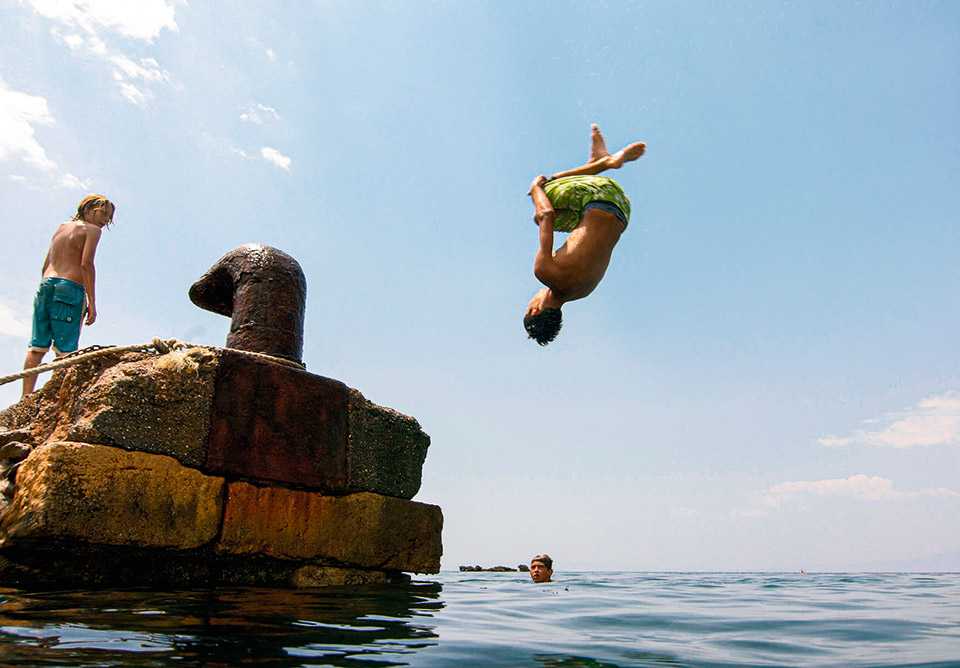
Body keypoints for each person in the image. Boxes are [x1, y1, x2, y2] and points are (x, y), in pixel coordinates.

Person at [524, 124, 645, 345]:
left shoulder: (584, 291)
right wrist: (535, 189)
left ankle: (597, 163)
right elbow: (546, 214)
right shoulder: (545, 272)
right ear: (535, 310)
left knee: (548, 217)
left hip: (623, 210)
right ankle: (606, 162)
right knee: (547, 192)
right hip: (601, 194)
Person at [21, 194, 115, 397]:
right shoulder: (92, 230)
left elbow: (46, 264)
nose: (106, 220)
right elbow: (86, 264)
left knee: (37, 345)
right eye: (103, 213)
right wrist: (92, 301)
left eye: (109, 217)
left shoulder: (61, 227)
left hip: (46, 285)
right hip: (70, 287)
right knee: (65, 350)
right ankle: (56, 397)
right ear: (88, 208)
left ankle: (25, 397)